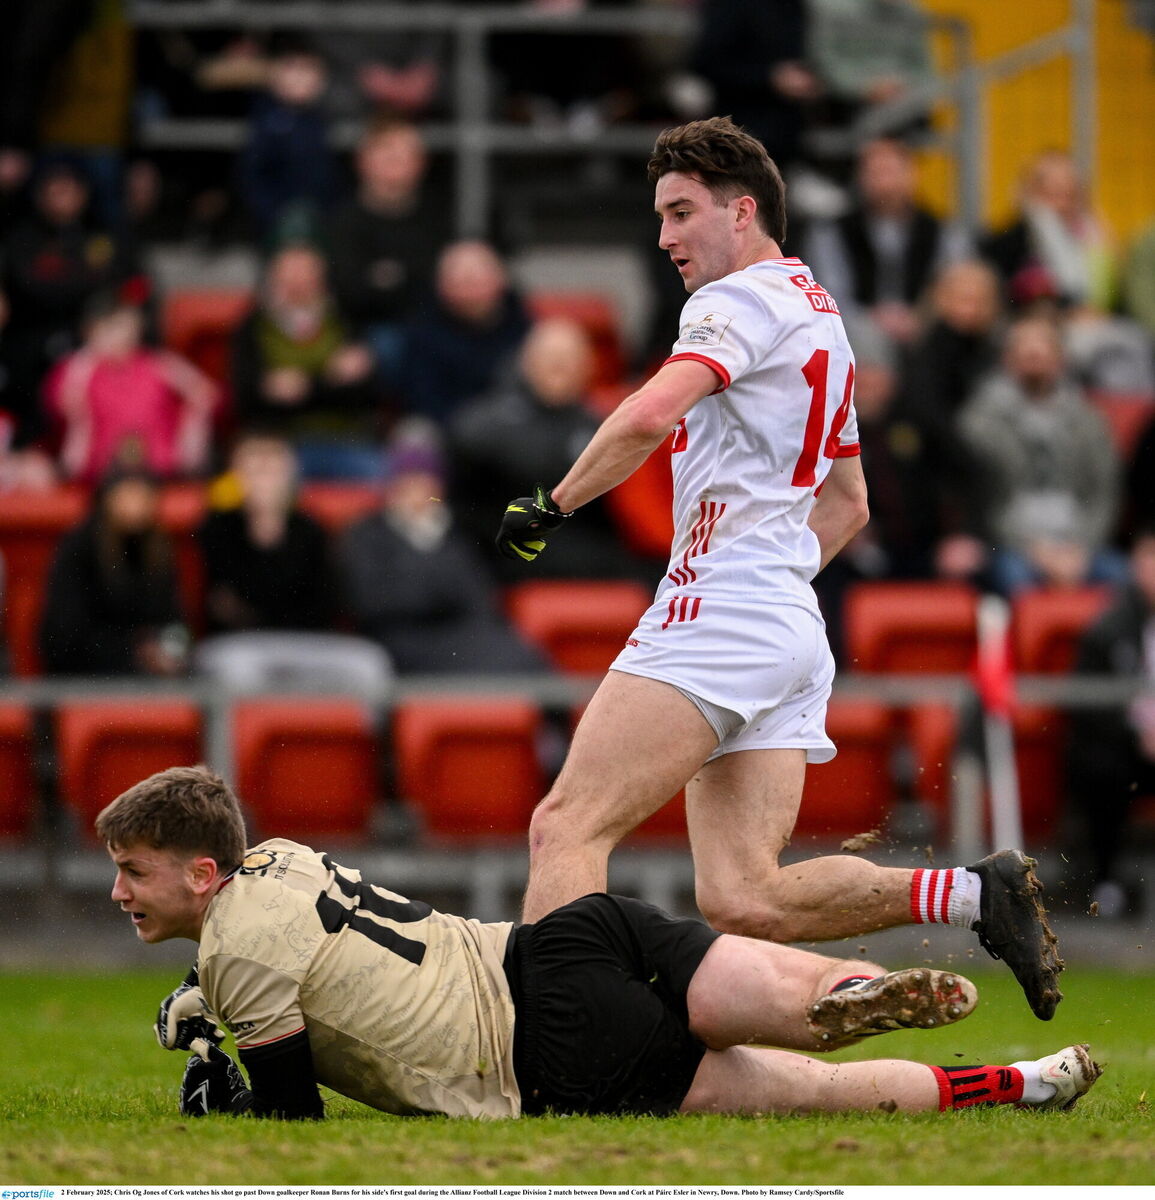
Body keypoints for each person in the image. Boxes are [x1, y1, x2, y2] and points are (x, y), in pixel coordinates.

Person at [494, 116, 1064, 1021]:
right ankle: (968, 896)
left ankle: (553, 1041)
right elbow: (849, 506)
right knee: (742, 896)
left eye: (680, 213)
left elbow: (648, 415)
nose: (665, 238)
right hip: (787, 622)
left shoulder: (734, 300)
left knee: (565, 826)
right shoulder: (821, 313)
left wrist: (552, 504)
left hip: (722, 609)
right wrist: (770, 587)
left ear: (742, 209)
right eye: (659, 217)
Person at [98, 765, 1100, 1121]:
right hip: (569, 936)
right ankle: (844, 987)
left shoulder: (236, 958)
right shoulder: (275, 857)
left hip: (546, 1047)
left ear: (199, 874)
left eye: (134, 871)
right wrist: (214, 1001)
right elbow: (293, 958)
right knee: (753, 985)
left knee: (815, 1093)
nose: (116, 892)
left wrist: (222, 1085)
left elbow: (290, 1120)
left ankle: (1022, 1083)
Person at [449, 316, 652, 583]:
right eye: (550, 356)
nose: (559, 365)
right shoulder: (482, 425)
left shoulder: (603, 426)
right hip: (505, 554)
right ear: (525, 362)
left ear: (588, 366)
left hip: (589, 552)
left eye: (569, 357)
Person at [193, 429, 392, 697]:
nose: (264, 480)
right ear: (237, 476)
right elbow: (220, 608)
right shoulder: (217, 529)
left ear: (290, 476)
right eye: (254, 470)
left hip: (305, 644)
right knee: (236, 669)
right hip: (242, 646)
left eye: (272, 470)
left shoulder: (310, 530)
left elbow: (324, 605)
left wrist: (258, 607)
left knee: (368, 664)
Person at [339, 432, 549, 676]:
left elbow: (480, 600)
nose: (418, 492)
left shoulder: (458, 533)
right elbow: (370, 602)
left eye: (425, 482)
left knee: (521, 655)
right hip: (398, 639)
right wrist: (436, 589)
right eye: (408, 483)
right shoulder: (368, 535)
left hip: (461, 635)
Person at [957, 313, 1125, 597]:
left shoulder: (1088, 419)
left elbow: (1103, 491)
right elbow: (982, 499)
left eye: (1043, 346)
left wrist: (1080, 550)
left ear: (1061, 359)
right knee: (1014, 579)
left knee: (1126, 581)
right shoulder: (979, 422)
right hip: (1012, 544)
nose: (1034, 353)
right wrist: (1035, 550)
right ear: (1007, 358)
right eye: (1024, 346)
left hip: (1080, 544)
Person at [230, 242, 387, 481]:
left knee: (384, 478)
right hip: (280, 445)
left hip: (346, 440)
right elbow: (245, 396)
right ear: (272, 277)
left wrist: (300, 387)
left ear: (322, 277)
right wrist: (330, 378)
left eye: (305, 272)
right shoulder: (253, 326)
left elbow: (366, 391)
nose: (297, 281)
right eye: (289, 273)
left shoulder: (345, 320)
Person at [1063, 523, 1155, 919]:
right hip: (1125, 748)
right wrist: (1138, 733)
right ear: (1135, 564)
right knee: (1103, 770)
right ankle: (1106, 880)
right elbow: (1088, 704)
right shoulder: (1107, 628)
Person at [43, 293, 218, 483]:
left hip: (159, 473)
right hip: (96, 477)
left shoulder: (160, 365)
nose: (124, 335)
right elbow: (59, 413)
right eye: (114, 327)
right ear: (91, 329)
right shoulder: (75, 371)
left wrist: (188, 449)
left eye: (130, 327)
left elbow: (205, 395)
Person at [38, 467, 189, 676]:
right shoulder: (80, 547)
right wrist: (132, 652)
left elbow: (173, 620)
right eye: (127, 493)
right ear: (107, 499)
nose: (134, 504)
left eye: (142, 495)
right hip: (84, 672)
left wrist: (171, 652)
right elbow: (64, 633)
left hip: (147, 674)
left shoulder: (158, 550)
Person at [399, 240, 532, 429]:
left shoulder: (525, 327)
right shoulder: (422, 330)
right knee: (415, 434)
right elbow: (421, 398)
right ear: (441, 286)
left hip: (510, 428)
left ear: (501, 280)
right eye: (461, 283)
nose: (471, 294)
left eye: (478, 282)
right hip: (446, 427)